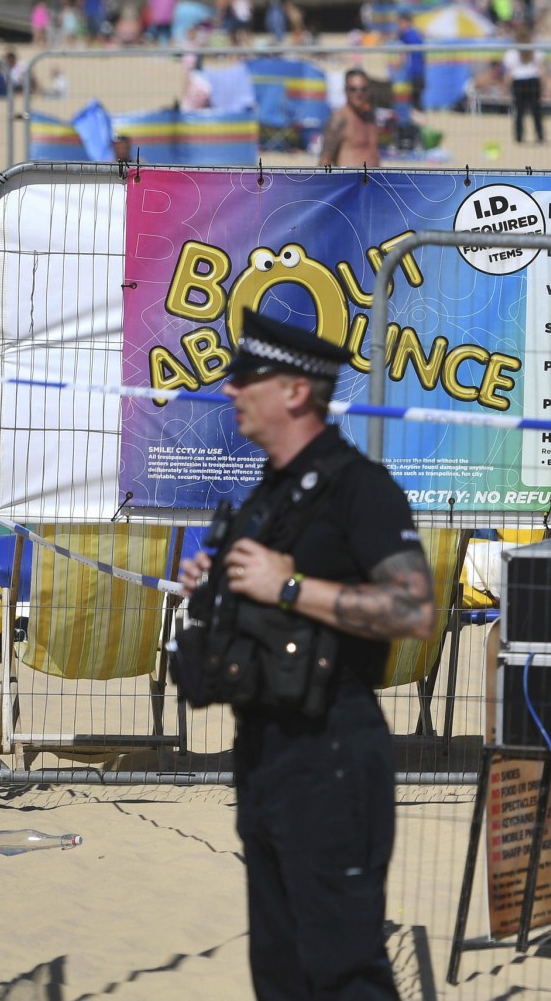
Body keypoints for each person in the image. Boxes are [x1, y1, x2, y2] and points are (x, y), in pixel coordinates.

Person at [176, 311, 433, 1001]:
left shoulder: (359, 486)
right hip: (265, 752)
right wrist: (222, 590)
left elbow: (414, 607)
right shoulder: (270, 494)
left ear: (294, 391)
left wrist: (287, 585)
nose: (231, 390)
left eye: (246, 378)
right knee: (281, 973)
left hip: (335, 753)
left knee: (345, 970)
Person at [319, 69, 381, 168]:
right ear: (346, 90)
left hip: (374, 182)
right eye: (353, 89)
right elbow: (324, 162)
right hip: (350, 181)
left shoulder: (371, 117)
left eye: (363, 89)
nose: (359, 94)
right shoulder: (339, 119)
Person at [505, 33, 546, 144]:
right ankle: (540, 136)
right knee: (536, 111)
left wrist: (506, 87)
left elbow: (509, 72)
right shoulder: (534, 50)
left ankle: (519, 137)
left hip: (519, 81)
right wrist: (543, 85)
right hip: (533, 81)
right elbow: (542, 69)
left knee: (519, 112)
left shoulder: (512, 52)